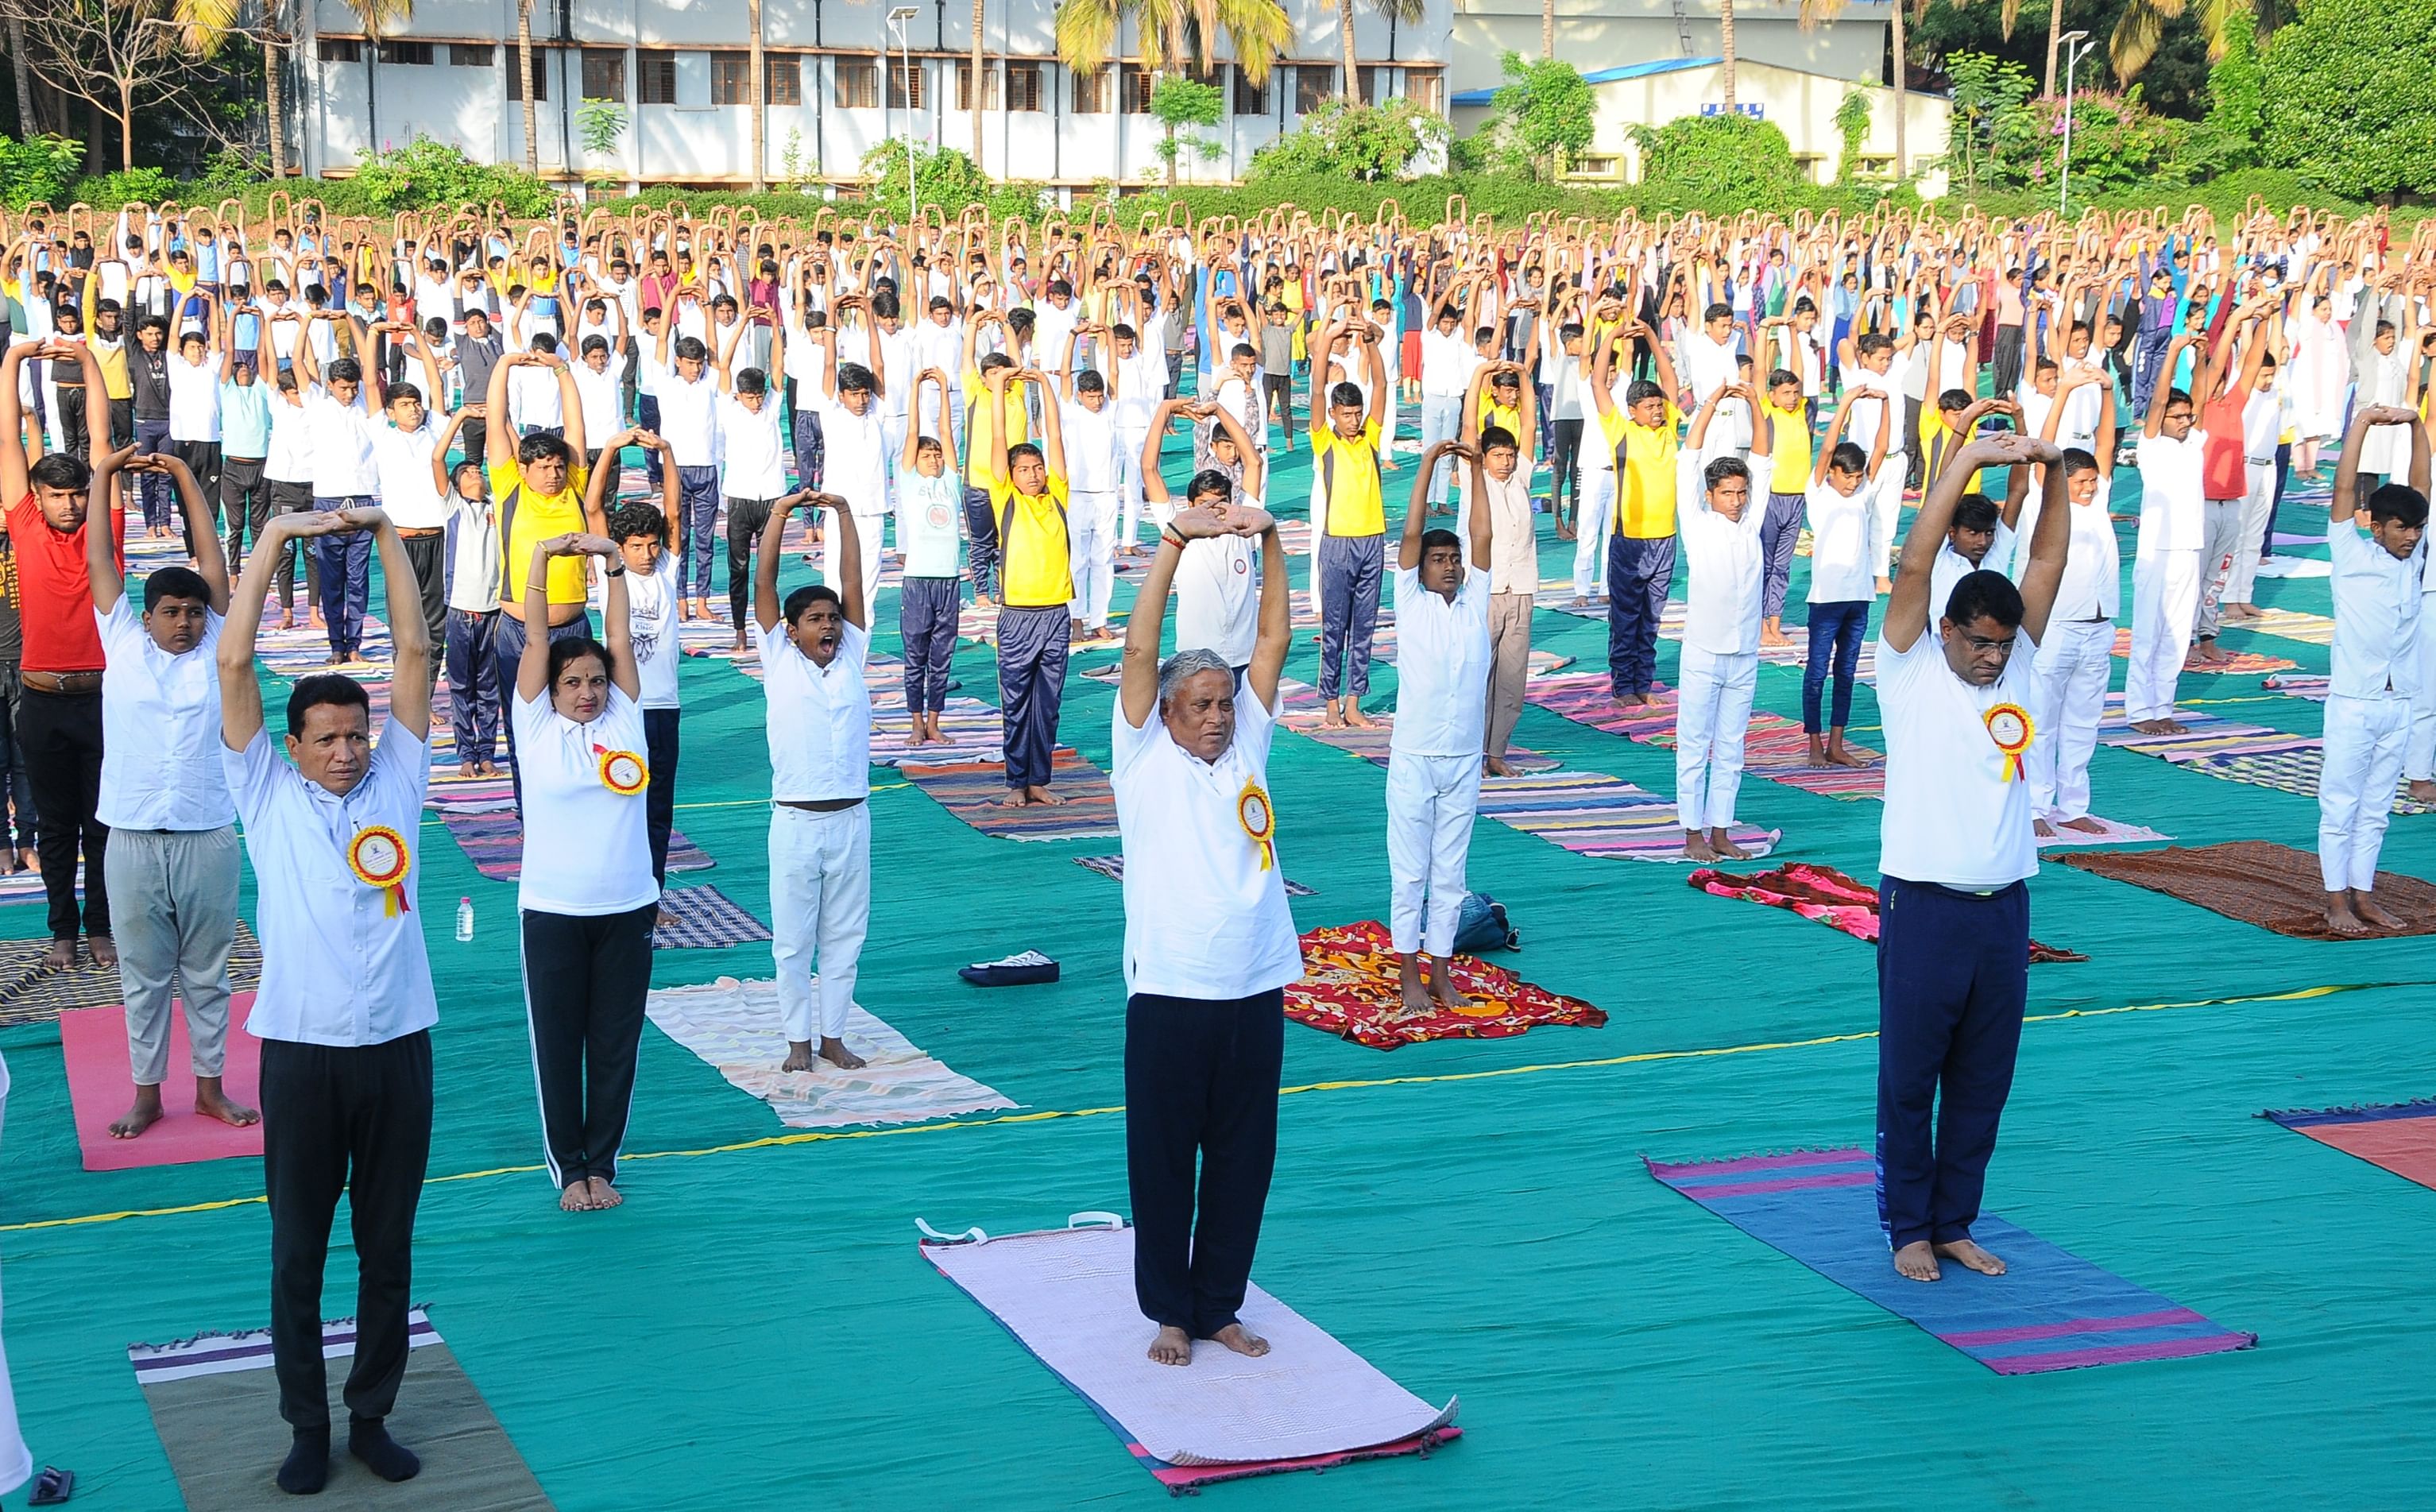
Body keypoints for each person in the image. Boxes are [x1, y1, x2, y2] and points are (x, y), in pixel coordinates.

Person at [217, 505, 435, 1495]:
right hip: (300, 1054)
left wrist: (387, 531)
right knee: (298, 1249)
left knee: (386, 1245)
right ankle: (307, 1424)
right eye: (328, 738)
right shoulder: (262, 792)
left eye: (357, 734)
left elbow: (418, 652)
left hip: (398, 1048)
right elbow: (231, 668)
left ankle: (372, 1414)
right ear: (293, 745)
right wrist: (280, 538)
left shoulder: (399, 777)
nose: (348, 751)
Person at [1874, 426, 2071, 1285]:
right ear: (1946, 630)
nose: (1993, 656)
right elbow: (1915, 565)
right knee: (1912, 1079)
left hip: (2005, 908)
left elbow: (2052, 562)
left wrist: (2053, 470)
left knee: (1984, 1081)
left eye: (2003, 644)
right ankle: (1908, 1227)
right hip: (1924, 903)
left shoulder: (2019, 662)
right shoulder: (1909, 667)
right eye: (1979, 642)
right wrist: (1966, 462)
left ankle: (1954, 1220)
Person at [1111, 481, 1296, 1369]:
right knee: (1164, 1159)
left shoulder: (1249, 741)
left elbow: (1272, 638)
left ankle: (1220, 1301)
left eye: (1225, 704)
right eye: (1204, 705)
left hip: (1256, 981)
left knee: (1241, 1157)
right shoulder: (1142, 753)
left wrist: (1269, 540)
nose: (1220, 716)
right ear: (1169, 711)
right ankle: (1171, 1311)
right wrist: (1176, 543)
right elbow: (1142, 643)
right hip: (1174, 987)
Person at [87, 445, 253, 1141]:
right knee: (143, 973)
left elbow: (212, 564)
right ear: (145, 614)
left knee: (207, 971)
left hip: (206, 832)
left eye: (192, 610)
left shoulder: (217, 641)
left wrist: (185, 476)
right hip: (127, 835)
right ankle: (147, 1093)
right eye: (171, 611)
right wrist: (105, 477)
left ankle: (211, 1088)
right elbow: (100, 561)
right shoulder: (120, 639)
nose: (184, 621)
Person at [512, 531, 659, 1213]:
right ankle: (568, 1167)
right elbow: (538, 640)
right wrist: (544, 559)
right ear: (552, 688)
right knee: (558, 1045)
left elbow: (621, 639)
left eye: (596, 680)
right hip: (553, 912)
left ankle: (604, 1161)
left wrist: (612, 566)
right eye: (573, 682)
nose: (588, 691)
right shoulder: (535, 725)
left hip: (629, 907)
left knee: (615, 1045)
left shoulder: (626, 714)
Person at [751, 491, 874, 1073]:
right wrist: (779, 514)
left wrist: (845, 515)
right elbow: (766, 583)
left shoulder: (852, 656)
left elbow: (852, 579)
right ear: (791, 630)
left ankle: (834, 1035)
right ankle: (797, 1040)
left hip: (852, 818)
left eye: (832, 618)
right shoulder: (778, 658)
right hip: (796, 822)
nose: (828, 625)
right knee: (794, 940)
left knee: (846, 936)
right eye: (815, 620)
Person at [1, 339, 115, 969]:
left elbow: (100, 439)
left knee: (101, 824)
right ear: (37, 499)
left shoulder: (104, 522)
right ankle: (62, 933)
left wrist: (86, 361)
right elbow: (8, 443)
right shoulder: (23, 524)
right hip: (41, 701)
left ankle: (99, 928)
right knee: (53, 827)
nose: (71, 504)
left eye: (77, 494)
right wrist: (16, 358)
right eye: (58, 496)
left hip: (100, 699)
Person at [1387, 438, 1497, 1011]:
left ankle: (1440, 969)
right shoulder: (1411, 598)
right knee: (1410, 872)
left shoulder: (1474, 600)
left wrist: (1474, 469)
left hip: (1462, 759)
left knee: (1450, 872)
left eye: (1453, 559)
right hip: (1414, 756)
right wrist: (1430, 463)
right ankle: (1408, 973)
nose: (1451, 566)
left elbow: (1481, 535)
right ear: (1421, 567)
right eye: (1439, 559)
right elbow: (1409, 535)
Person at [2318, 404, 2429, 934]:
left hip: (2397, 703)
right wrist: (2361, 423)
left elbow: (2421, 480)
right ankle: (2335, 901)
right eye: (2401, 527)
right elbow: (2343, 491)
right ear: (2375, 525)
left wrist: (2414, 425)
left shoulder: (2417, 557)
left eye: (2416, 528)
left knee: (2378, 807)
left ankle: (2363, 895)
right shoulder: (2351, 552)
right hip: (2353, 704)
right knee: (2340, 804)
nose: (2410, 536)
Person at [2028, 368, 2121, 838]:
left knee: (2084, 724)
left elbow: (2105, 445)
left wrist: (2106, 392)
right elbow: (2045, 453)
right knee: (2041, 725)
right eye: (2080, 482)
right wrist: (2063, 392)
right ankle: (2035, 807)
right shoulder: (2045, 503)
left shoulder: (2098, 503)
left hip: (2099, 628)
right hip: (2056, 628)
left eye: (2091, 481)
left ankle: (2074, 806)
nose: (2088, 488)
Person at [1677, 385, 1767, 860]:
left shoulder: (1751, 523)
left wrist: (1754, 403)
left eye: (1741, 492)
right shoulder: (1697, 523)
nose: (1735, 499)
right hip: (1703, 651)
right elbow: (1688, 461)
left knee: (1732, 747)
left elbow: (1765, 460)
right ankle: (1692, 831)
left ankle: (1720, 829)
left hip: (1745, 653)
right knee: (1694, 743)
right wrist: (1711, 405)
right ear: (1710, 494)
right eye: (1727, 492)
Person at [984, 365, 1073, 806]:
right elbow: (999, 440)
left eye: (1037, 468)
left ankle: (1040, 778)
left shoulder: (1057, 493)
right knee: (1016, 703)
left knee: (1049, 704)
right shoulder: (1006, 497)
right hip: (1018, 616)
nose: (1034, 474)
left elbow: (1055, 437)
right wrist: (1001, 386)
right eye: (1025, 469)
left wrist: (1046, 385)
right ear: (1012, 475)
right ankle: (1016, 782)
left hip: (1057, 613)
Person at [1587, 315, 1684, 706]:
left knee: (1652, 618)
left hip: (1665, 537)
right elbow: (1597, 383)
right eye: (1649, 407)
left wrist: (1651, 337)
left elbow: (1671, 381)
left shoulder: (1670, 429)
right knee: (1626, 617)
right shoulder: (1622, 431)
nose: (1658, 411)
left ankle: (1644, 683)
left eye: (1659, 405)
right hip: (1630, 540)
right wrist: (1611, 335)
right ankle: (1623, 686)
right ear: (1632, 411)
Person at [1141, 400, 1266, 676]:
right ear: (1189, 504)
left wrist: (1220, 410)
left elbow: (1254, 462)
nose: (1213, 510)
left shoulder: (1243, 529)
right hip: (1195, 659)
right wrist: (1164, 410)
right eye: (1204, 504)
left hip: (1245, 657)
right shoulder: (1179, 532)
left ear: (1233, 503)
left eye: (1221, 503)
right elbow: (1149, 469)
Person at [1307, 319, 1390, 729]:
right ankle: (1330, 703)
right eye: (1346, 414)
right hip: (1337, 542)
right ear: (1334, 415)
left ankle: (1354, 702)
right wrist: (1330, 336)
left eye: (1356, 414)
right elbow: (1317, 388)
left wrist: (1371, 343)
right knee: (1334, 627)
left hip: (1372, 539)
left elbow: (1382, 387)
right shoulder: (1324, 438)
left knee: (1366, 625)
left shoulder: (1370, 438)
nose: (1353, 420)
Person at [604, 490, 686, 895]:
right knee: (621, 804)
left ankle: (652, 892)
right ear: (620, 548)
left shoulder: (667, 573)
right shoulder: (612, 577)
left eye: (653, 544)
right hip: (623, 710)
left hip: (664, 709)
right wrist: (617, 445)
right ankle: (618, 888)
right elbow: (592, 509)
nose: (647, 554)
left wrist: (666, 453)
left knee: (658, 809)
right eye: (636, 546)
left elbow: (673, 509)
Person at [1804, 390, 1889, 768]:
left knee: (1847, 672)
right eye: (1848, 476)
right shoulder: (1821, 493)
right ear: (1834, 473)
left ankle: (1837, 743)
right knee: (1818, 672)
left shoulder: (1862, 495)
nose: (1853, 483)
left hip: (1859, 596)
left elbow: (1883, 449)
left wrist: (1886, 404)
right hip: (1826, 597)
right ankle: (1813, 745)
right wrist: (1847, 402)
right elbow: (1825, 450)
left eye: (1858, 477)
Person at [2127, 334, 2206, 734]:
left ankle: (2163, 706)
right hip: (2156, 549)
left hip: (2188, 548)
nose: (2186, 422)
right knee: (2149, 633)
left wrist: (2204, 355)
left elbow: (2202, 397)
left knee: (2177, 634)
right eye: (2179, 417)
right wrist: (2175, 351)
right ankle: (2140, 712)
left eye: (2188, 417)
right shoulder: (2152, 444)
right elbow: (2158, 402)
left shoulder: (2194, 444)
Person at [895, 371, 963, 746]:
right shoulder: (910, 482)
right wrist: (917, 387)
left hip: (948, 579)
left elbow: (949, 434)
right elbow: (911, 432)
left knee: (942, 655)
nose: (934, 458)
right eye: (927, 454)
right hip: (918, 580)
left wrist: (943, 387)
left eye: (937, 454)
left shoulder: (949, 484)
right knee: (915, 653)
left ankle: (935, 721)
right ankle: (915, 721)